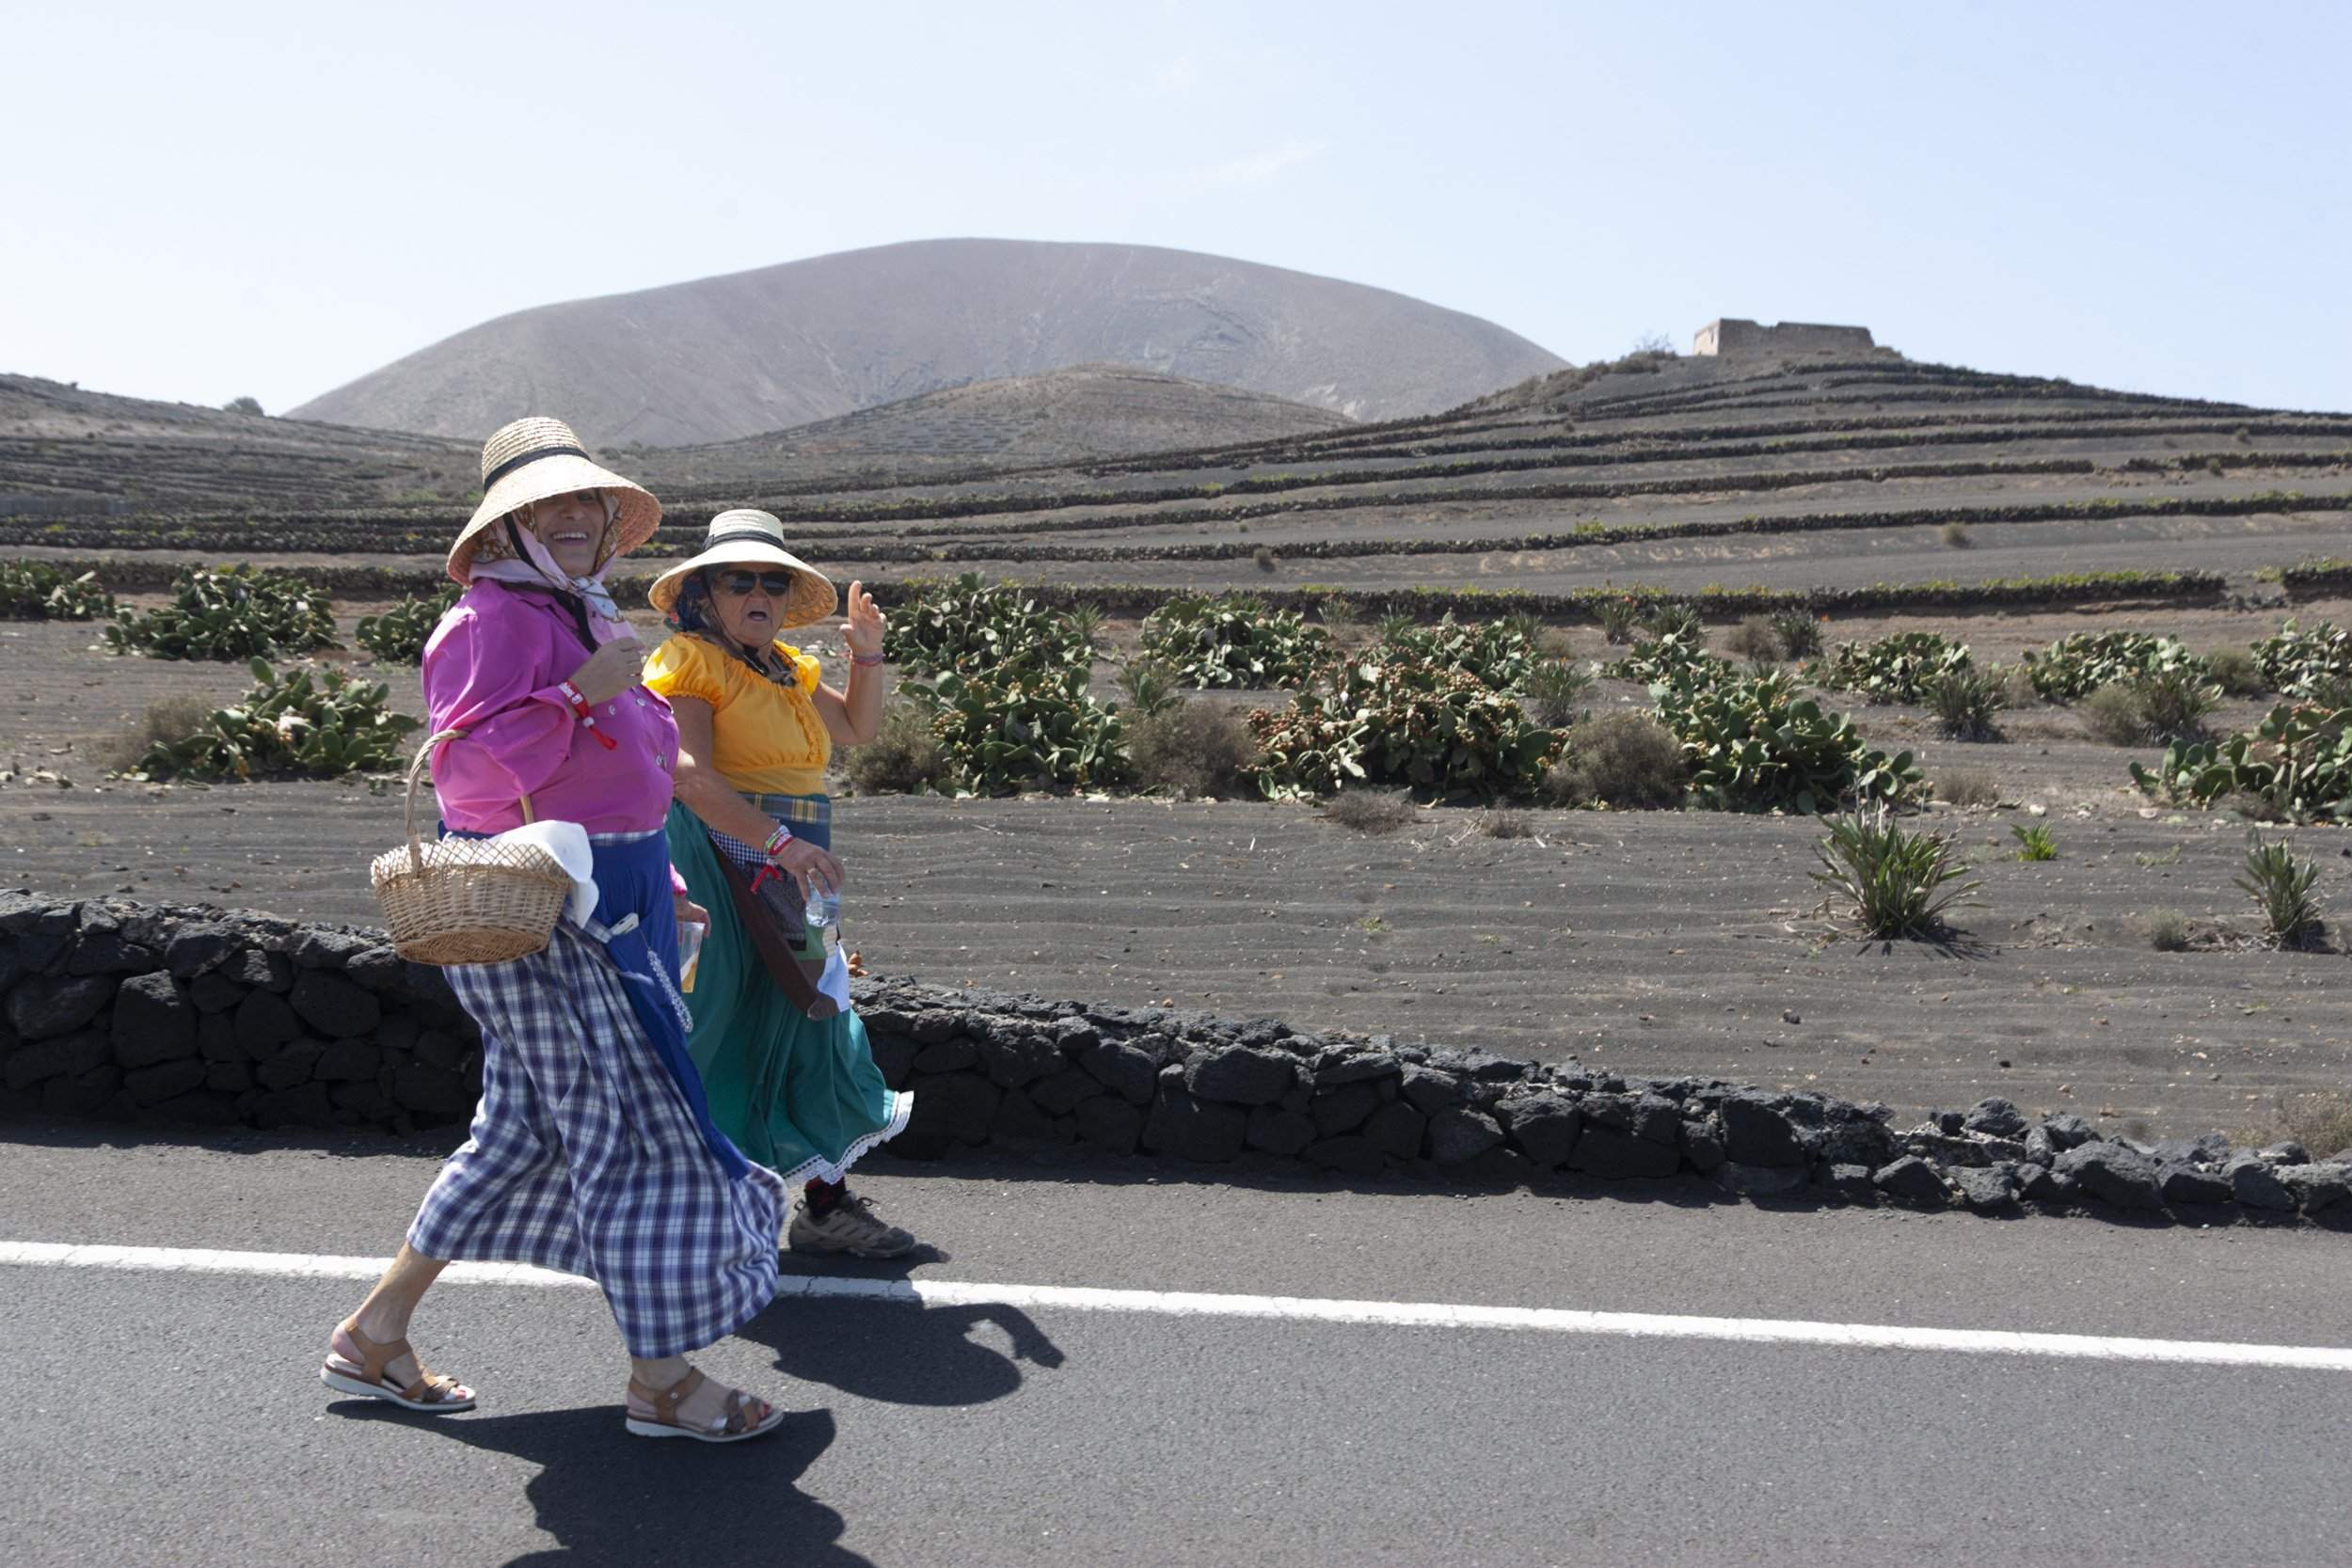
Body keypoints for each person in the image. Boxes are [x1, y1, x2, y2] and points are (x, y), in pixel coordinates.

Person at [321, 419, 789, 1444]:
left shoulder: (574, 607)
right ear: (510, 527)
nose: (575, 519)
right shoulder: (488, 623)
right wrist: (580, 692)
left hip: (611, 892)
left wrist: (660, 878)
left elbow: (624, 766)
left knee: (525, 1128)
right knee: (639, 1124)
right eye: (549, 507)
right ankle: (661, 1377)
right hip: (551, 915)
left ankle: (375, 1332)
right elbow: (467, 773)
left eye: (588, 503)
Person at [643, 509, 915, 1258]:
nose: (759, 592)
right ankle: (685, 1205)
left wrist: (867, 656)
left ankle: (822, 1205)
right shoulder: (689, 662)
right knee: (720, 1019)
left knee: (812, 1012)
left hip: (795, 862)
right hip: (724, 856)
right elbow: (687, 773)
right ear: (705, 592)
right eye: (741, 580)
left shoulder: (789, 668)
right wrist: (780, 843)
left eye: (773, 580)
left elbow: (857, 731)